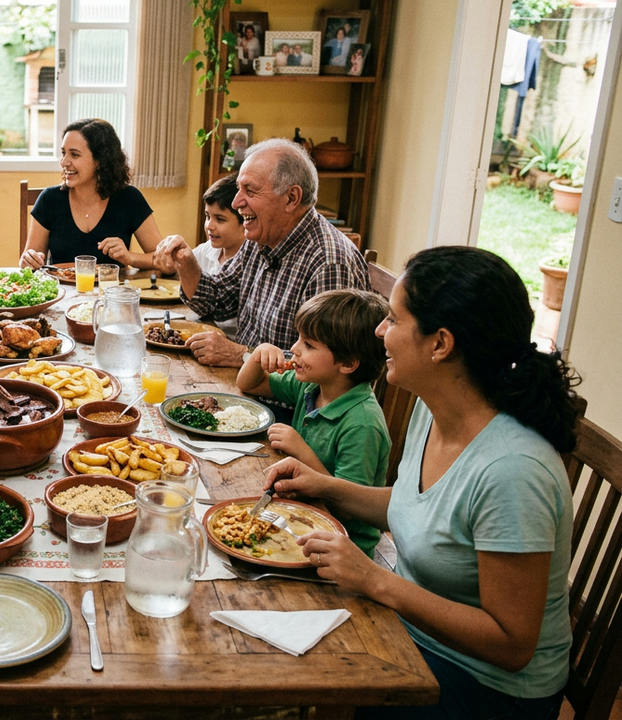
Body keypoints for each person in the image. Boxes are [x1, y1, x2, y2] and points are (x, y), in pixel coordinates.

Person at [263, 246, 579, 719]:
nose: (379, 331)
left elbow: (511, 643)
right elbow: (420, 506)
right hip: (410, 631)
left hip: (484, 688)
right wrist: (323, 486)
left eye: (392, 319)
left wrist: (375, 581)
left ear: (440, 344)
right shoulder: (432, 412)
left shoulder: (513, 470)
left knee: (278, 687)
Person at [154, 138, 370, 367]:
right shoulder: (261, 239)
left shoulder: (329, 263)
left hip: (283, 401)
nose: (237, 202)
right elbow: (217, 300)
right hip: (247, 386)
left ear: (291, 198)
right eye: (239, 189)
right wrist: (187, 262)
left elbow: (324, 369)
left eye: (250, 190)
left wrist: (241, 356)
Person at [236, 289, 391, 557]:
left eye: (308, 344)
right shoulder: (312, 386)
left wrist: (301, 452)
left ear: (348, 363)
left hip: (343, 548)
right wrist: (258, 353)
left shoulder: (362, 424)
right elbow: (248, 383)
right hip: (300, 514)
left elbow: (346, 508)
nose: (294, 348)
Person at [19, 118, 164, 270]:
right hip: (61, 292)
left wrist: (130, 257)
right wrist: (28, 260)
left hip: (111, 292)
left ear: (100, 160)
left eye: (74, 155)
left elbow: (163, 260)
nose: (64, 162)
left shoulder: (129, 199)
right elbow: (30, 263)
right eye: (63, 153)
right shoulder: (49, 199)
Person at [193, 175, 245, 341]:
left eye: (220, 219)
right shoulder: (207, 250)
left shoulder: (248, 258)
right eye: (207, 216)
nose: (209, 226)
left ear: (245, 222)